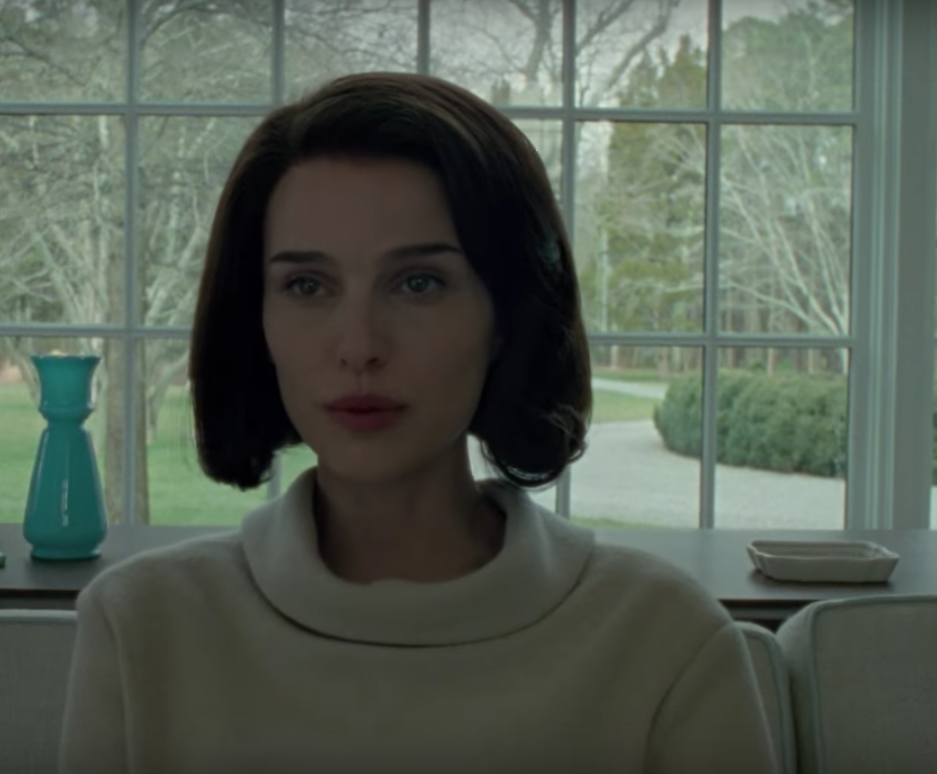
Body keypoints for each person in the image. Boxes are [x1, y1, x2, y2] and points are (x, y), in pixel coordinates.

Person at [58, 72, 777, 774]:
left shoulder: (664, 640)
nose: (359, 345)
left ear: (507, 317)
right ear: (258, 321)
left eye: (418, 283)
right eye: (307, 285)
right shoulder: (141, 627)